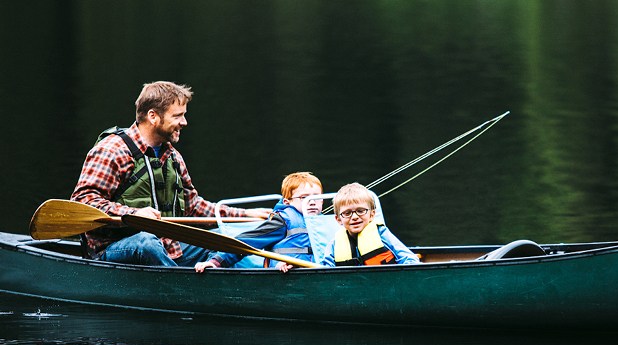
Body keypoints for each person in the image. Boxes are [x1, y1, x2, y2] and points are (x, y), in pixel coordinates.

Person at [70, 81, 271, 266]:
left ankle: (244, 284)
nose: (184, 122)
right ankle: (182, 291)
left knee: (224, 239)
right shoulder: (113, 150)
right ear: (153, 117)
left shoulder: (173, 157)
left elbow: (194, 207)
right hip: (114, 250)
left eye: (183, 115)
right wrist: (134, 214)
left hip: (168, 248)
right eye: (177, 116)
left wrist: (245, 215)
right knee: (146, 242)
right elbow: (82, 202)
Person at [195, 172, 323, 273]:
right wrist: (217, 262)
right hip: (288, 275)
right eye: (304, 198)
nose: (311, 202)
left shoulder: (326, 222)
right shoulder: (282, 221)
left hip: (319, 272)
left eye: (316, 197)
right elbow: (248, 241)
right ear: (287, 203)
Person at [320, 183, 419, 266]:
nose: (354, 217)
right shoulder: (334, 244)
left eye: (360, 210)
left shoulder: (382, 234)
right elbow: (326, 271)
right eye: (347, 213)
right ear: (339, 219)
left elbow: (410, 260)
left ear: (372, 215)